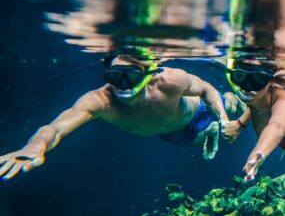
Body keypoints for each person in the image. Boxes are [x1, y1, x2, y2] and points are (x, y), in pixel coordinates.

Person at [0, 47, 246, 180]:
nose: (123, 85)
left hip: (194, 111)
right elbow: (55, 128)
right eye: (116, 76)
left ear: (148, 75)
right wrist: (35, 145)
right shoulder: (100, 101)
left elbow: (205, 88)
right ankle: (209, 131)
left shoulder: (170, 80)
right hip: (169, 132)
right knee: (197, 143)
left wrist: (224, 119)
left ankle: (230, 100)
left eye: (132, 77)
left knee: (226, 107)